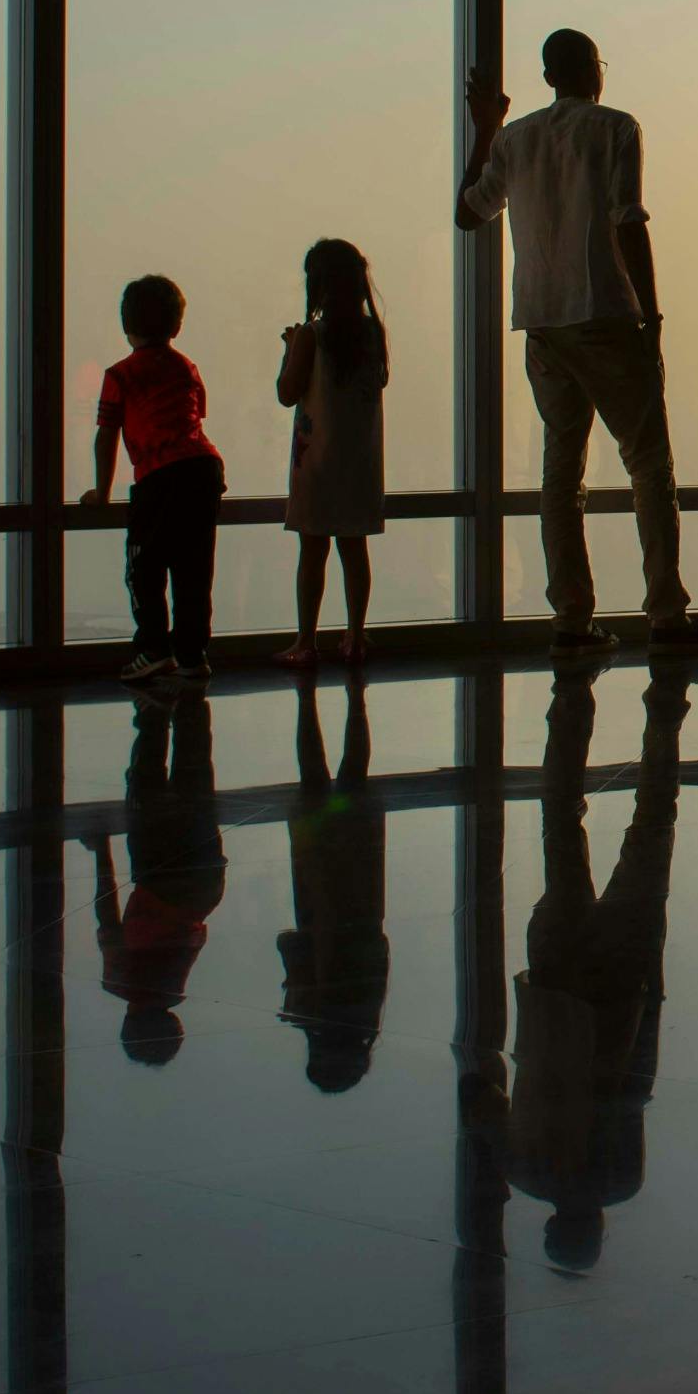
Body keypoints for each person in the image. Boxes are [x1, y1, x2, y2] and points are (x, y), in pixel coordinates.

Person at [460, 30, 698, 657]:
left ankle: (573, 622)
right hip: (605, 315)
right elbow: (627, 222)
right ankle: (666, 614)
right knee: (649, 466)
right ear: (592, 70)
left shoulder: (515, 138)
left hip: (542, 325)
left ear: (549, 74)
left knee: (561, 477)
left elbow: (468, 212)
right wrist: (652, 317)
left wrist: (485, 129)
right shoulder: (617, 128)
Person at [510, 658, 683, 1274]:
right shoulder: (524, 1167)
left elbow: (631, 1085)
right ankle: (569, 713)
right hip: (557, 983)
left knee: (652, 826)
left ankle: (665, 717)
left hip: (615, 991)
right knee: (560, 827)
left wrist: (650, 988)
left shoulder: (619, 1182)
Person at [89, 273, 222, 682]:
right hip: (203, 468)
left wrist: (103, 491)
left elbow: (107, 435)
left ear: (126, 326)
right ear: (176, 326)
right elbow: (196, 414)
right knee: (193, 568)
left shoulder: (121, 375)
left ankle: (152, 648)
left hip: (158, 475)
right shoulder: (186, 368)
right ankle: (192, 654)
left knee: (144, 566)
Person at [273, 237, 388, 667]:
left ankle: (306, 640)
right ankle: (355, 635)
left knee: (313, 552)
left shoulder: (310, 336)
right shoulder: (371, 334)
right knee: (354, 550)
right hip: (360, 464)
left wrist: (288, 350)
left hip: (317, 464)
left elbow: (288, 393)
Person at [92, 692, 224, 1066]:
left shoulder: (177, 982)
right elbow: (107, 914)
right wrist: (102, 847)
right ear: (128, 1025)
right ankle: (153, 704)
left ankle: (192, 699)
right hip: (158, 872)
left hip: (205, 886)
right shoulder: (122, 983)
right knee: (146, 779)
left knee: (195, 776)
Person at [277, 671, 391, 1093]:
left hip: (360, 896)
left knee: (351, 778)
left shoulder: (367, 1011)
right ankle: (311, 704)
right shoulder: (317, 1011)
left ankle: (354, 701)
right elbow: (303, 942)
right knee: (315, 781)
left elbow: (380, 948)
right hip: (323, 892)